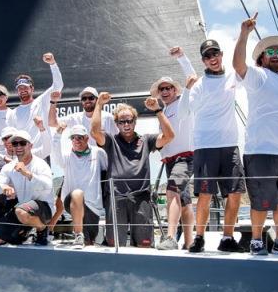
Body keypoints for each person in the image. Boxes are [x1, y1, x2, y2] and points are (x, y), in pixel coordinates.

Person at [233, 13, 278, 256]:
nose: (275, 54)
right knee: (261, 202)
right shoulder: (258, 76)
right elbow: (238, 66)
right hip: (261, 152)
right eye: (270, 52)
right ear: (262, 58)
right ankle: (257, 240)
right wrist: (244, 35)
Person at [174, 41, 247, 254]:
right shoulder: (198, 85)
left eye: (215, 53)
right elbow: (183, 114)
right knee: (204, 195)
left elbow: (245, 68)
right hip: (205, 147)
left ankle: (227, 237)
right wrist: (187, 88)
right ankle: (199, 238)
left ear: (221, 54)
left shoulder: (233, 77)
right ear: (203, 60)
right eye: (207, 56)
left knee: (235, 194)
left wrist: (244, 35)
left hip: (229, 146)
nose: (212, 58)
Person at [90, 92, 174, 248]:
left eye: (129, 121)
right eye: (121, 122)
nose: (126, 125)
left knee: (144, 245)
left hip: (142, 199)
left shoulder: (146, 140)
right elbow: (94, 132)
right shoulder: (110, 141)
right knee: (115, 245)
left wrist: (158, 110)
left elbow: (169, 136)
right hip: (116, 198)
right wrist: (99, 105)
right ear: (116, 124)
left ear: (135, 122)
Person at [150, 74, 195, 251]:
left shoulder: (184, 102)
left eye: (169, 88)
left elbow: (191, 85)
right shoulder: (165, 110)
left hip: (186, 156)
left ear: (175, 90)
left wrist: (188, 83)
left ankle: (170, 237)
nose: (166, 91)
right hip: (170, 160)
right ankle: (190, 242)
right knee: (185, 201)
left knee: (172, 189)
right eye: (162, 89)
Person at [0, 130, 55, 246]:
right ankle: (23, 233)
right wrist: (2, 187)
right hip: (23, 209)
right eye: (15, 144)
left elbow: (48, 187)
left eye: (22, 143)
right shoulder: (9, 167)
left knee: (20, 211)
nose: (18, 146)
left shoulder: (41, 164)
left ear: (30, 145)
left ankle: (42, 229)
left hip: (44, 208)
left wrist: (28, 174)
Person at [52, 124, 108, 248]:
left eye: (80, 137)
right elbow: (55, 154)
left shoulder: (99, 153)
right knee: (77, 193)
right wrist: (58, 134)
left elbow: (106, 173)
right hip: (72, 202)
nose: (76, 140)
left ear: (87, 138)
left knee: (89, 242)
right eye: (73, 138)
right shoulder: (66, 156)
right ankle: (78, 234)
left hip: (93, 205)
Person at [5, 52, 63, 159]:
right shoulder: (12, 113)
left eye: (25, 87)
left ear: (32, 89)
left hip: (43, 155)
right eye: (20, 88)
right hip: (22, 157)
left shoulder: (42, 101)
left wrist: (53, 64)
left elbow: (58, 85)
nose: (23, 91)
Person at [49, 87, 117, 147]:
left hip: (104, 158)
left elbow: (116, 140)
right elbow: (52, 123)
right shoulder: (74, 118)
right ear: (81, 101)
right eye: (84, 98)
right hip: (83, 159)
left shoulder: (108, 117)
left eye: (91, 98)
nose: (87, 100)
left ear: (97, 100)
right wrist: (53, 102)